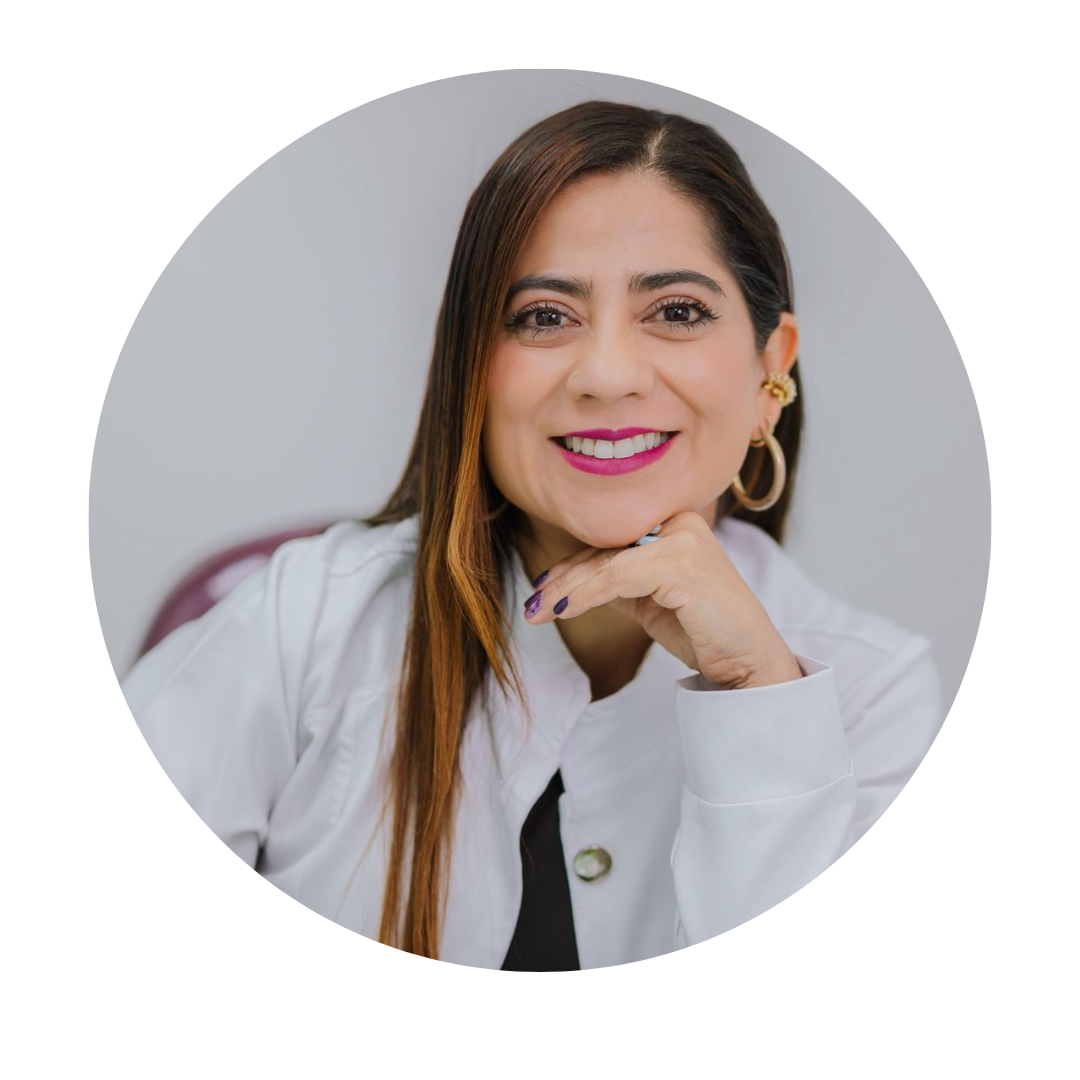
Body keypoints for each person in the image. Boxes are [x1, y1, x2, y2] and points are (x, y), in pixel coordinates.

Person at [122, 100, 945, 970]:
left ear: (771, 368)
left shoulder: (873, 694)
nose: (607, 375)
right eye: (545, 317)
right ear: (473, 366)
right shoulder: (298, 623)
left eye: (676, 310)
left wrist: (759, 701)